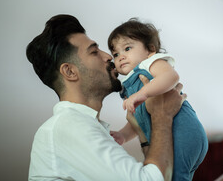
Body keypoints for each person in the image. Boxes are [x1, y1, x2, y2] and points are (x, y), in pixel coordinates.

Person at [26, 14, 186, 181]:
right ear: (70, 72)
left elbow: (152, 173)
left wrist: (143, 136)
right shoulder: (67, 126)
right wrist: (162, 116)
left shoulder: (85, 128)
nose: (109, 57)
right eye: (94, 51)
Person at [107, 18, 209, 181]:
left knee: (174, 175)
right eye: (116, 54)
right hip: (169, 139)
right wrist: (123, 135)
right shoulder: (127, 88)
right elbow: (138, 120)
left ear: (150, 50)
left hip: (182, 130)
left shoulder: (150, 63)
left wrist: (144, 93)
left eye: (127, 48)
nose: (120, 57)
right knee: (173, 176)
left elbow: (171, 76)